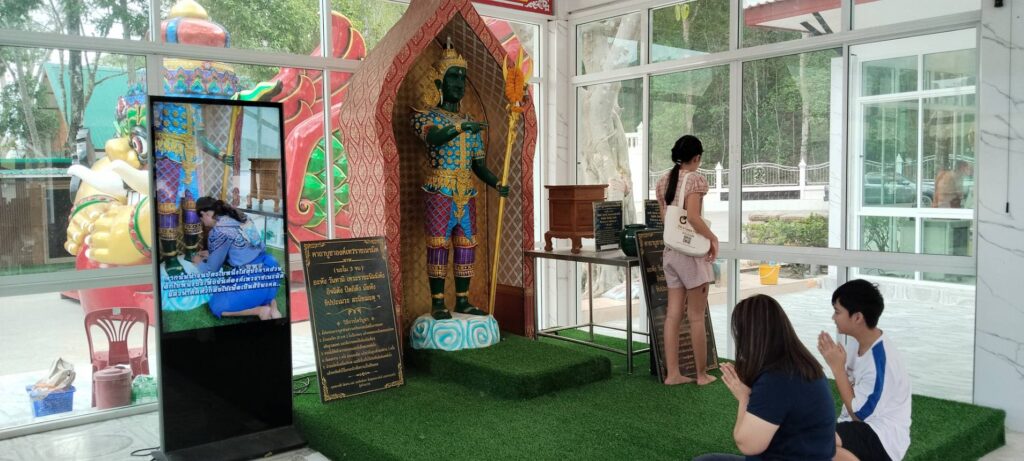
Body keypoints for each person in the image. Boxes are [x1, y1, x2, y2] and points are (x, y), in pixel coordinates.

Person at [411, 41, 509, 320]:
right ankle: (438, 302)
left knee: (466, 245)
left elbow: (479, 165)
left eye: (462, 78)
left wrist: (496, 183)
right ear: (439, 81)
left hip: (467, 191)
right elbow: (433, 138)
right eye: (453, 76)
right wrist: (459, 127)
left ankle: (463, 300)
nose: (459, 83)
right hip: (439, 188)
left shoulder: (471, 123)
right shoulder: (426, 116)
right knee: (438, 245)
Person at [695, 295, 836, 461]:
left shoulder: (777, 380)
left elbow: (747, 445)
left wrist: (744, 398)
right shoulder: (805, 364)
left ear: (749, 336)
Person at [818, 279, 911, 461]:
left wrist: (837, 369)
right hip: (859, 426)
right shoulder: (856, 343)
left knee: (815, 442)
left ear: (857, 317)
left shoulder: (880, 360)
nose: (833, 318)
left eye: (837, 312)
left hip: (883, 436)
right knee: (813, 442)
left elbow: (859, 415)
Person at [655, 135, 718, 385]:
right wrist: (712, 238)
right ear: (697, 157)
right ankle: (701, 375)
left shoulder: (663, 181)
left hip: (670, 253)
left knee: (673, 315)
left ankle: (673, 374)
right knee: (696, 316)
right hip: (691, 255)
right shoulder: (696, 180)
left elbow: (666, 220)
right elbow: (693, 217)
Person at [192, 197, 283, 320]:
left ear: (204, 214)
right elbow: (246, 248)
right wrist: (213, 254)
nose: (202, 222)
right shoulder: (240, 216)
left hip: (252, 280)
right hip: (271, 272)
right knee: (256, 291)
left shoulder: (217, 231)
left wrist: (199, 262)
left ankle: (261, 311)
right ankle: (272, 304)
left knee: (216, 304)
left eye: (201, 219)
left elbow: (211, 270)